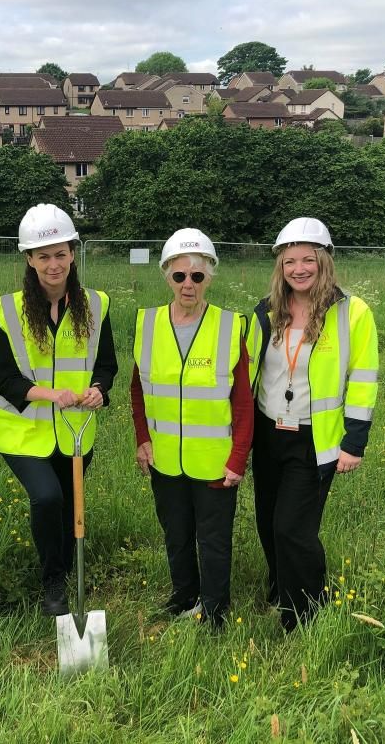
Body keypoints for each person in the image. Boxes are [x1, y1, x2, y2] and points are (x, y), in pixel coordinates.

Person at [246, 217, 378, 632]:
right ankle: (281, 584)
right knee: (267, 521)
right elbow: (245, 371)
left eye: (308, 260)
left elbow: (363, 378)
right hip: (268, 433)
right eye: (290, 262)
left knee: (292, 528)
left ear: (324, 261)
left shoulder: (351, 312)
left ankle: (304, 610)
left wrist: (353, 443)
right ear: (280, 267)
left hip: (314, 439)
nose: (298, 269)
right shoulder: (265, 310)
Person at [0, 203, 117, 616]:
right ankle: (52, 584)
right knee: (46, 498)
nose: (53, 263)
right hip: (23, 431)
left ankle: (61, 571)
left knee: (68, 505)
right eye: (43, 256)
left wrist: (99, 389)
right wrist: (50, 394)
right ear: (28, 259)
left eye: (61, 253)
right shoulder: (7, 310)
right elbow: (5, 378)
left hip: (77, 430)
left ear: (73, 253)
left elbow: (107, 365)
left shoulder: (96, 305)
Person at [130, 229, 253, 628]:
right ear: (166, 275)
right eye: (180, 276)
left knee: (213, 541)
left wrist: (238, 459)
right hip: (164, 458)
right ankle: (184, 597)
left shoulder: (231, 326)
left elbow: (244, 402)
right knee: (176, 535)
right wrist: (143, 439)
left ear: (210, 278)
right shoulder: (146, 323)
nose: (188, 285)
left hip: (214, 462)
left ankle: (215, 611)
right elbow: (138, 388)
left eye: (197, 277)